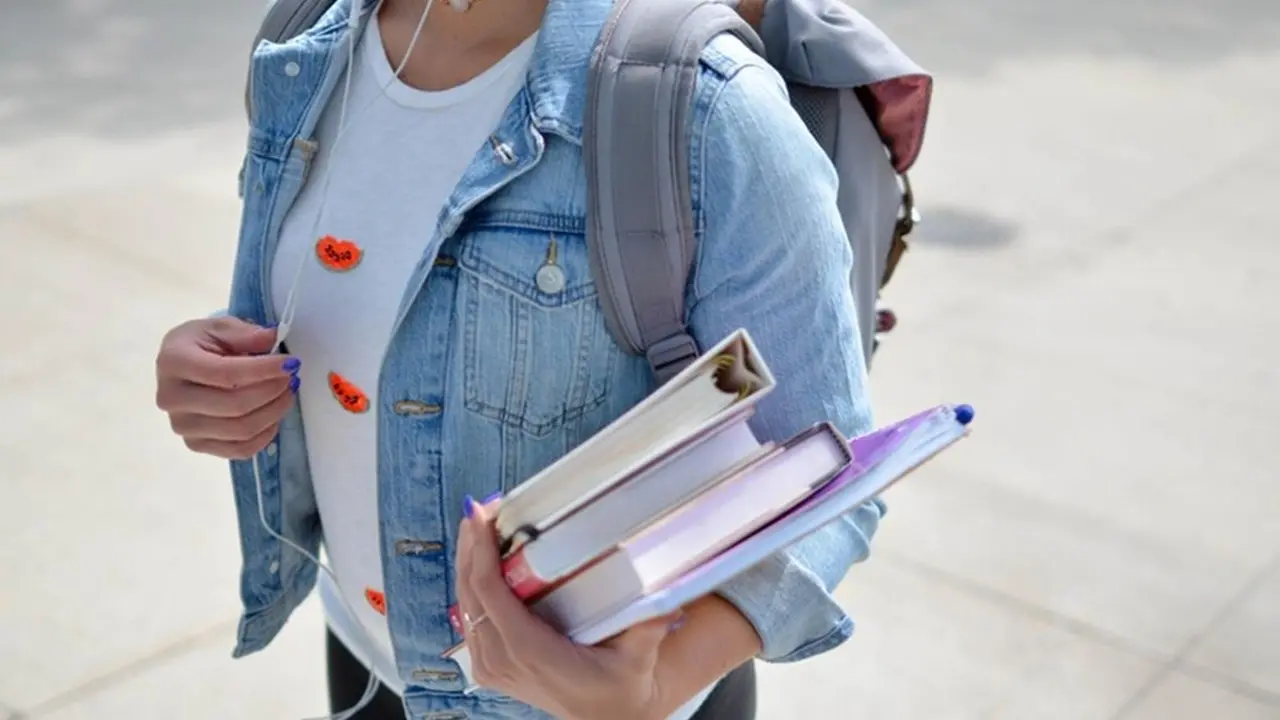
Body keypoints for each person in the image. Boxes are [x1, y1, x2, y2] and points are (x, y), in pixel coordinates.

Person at [153, 0, 884, 717]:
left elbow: (824, 468)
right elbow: (320, 312)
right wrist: (215, 376)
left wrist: (652, 689)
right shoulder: (304, 44)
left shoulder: (708, 109)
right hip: (364, 658)